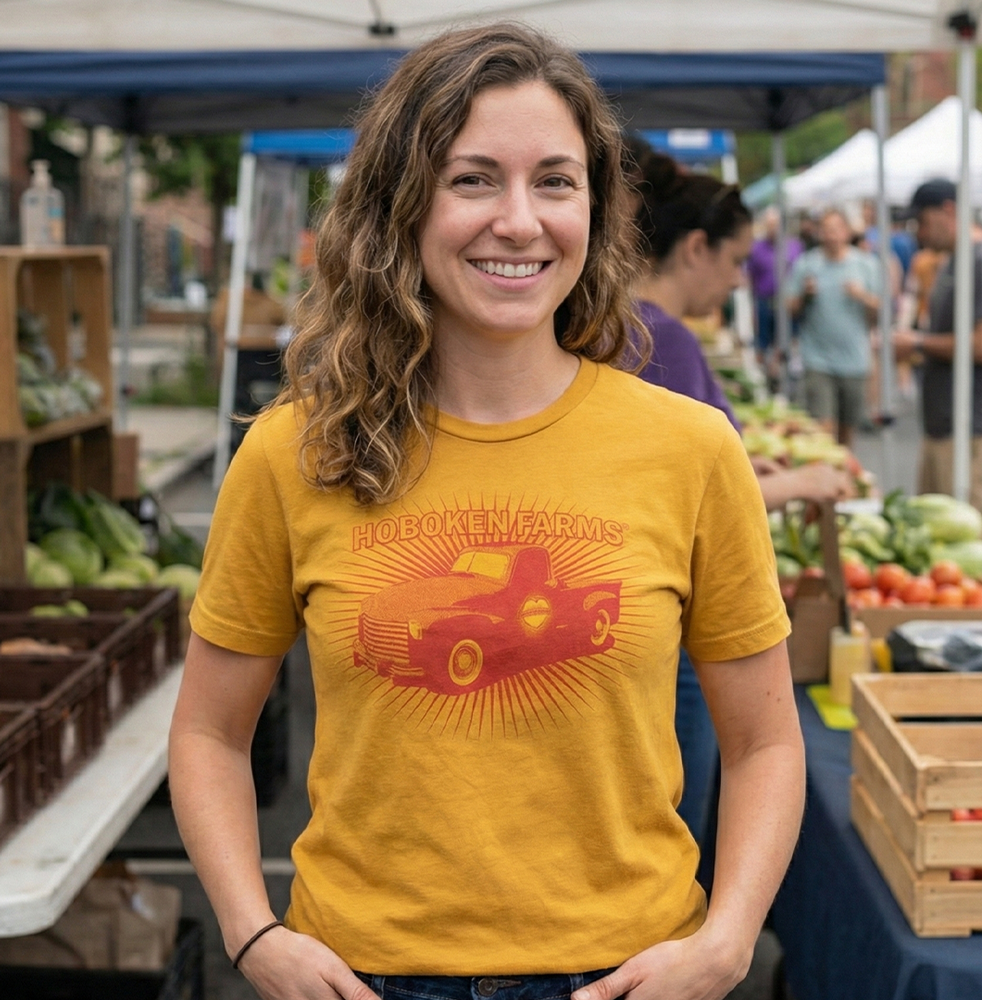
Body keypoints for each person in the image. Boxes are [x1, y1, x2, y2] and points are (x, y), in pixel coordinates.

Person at [169, 24, 805, 1000]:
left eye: (554, 181)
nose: (519, 220)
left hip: (628, 970)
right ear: (401, 204)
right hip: (366, 974)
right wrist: (254, 933)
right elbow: (210, 730)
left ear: (593, 206)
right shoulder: (296, 451)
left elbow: (764, 739)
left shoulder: (689, 448)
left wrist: (726, 940)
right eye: (472, 180)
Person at [622, 136, 851, 845]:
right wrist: (806, 483)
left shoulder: (632, 331)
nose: (736, 281)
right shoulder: (664, 339)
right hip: (684, 623)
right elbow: (692, 498)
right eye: (731, 261)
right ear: (694, 248)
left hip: (659, 613)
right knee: (677, 823)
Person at [893, 178, 982, 509]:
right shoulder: (950, 262)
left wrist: (917, 343)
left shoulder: (978, 260)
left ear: (949, 211)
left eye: (924, 221)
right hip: (942, 423)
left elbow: (978, 345)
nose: (920, 233)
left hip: (969, 428)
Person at [787, 209, 881, 446]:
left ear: (847, 232)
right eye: (826, 230)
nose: (831, 236)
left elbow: (882, 310)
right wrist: (804, 296)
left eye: (836, 229)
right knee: (823, 429)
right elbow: (790, 308)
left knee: (847, 432)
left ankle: (843, 478)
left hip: (854, 359)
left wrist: (862, 296)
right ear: (819, 233)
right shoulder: (806, 264)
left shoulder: (866, 264)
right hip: (817, 359)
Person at [745, 206, 802, 386]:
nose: (772, 229)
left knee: (786, 341)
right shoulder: (756, 248)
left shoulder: (794, 246)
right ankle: (767, 378)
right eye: (769, 225)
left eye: (775, 225)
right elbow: (750, 277)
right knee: (763, 343)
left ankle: (785, 378)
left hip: (787, 304)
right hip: (764, 302)